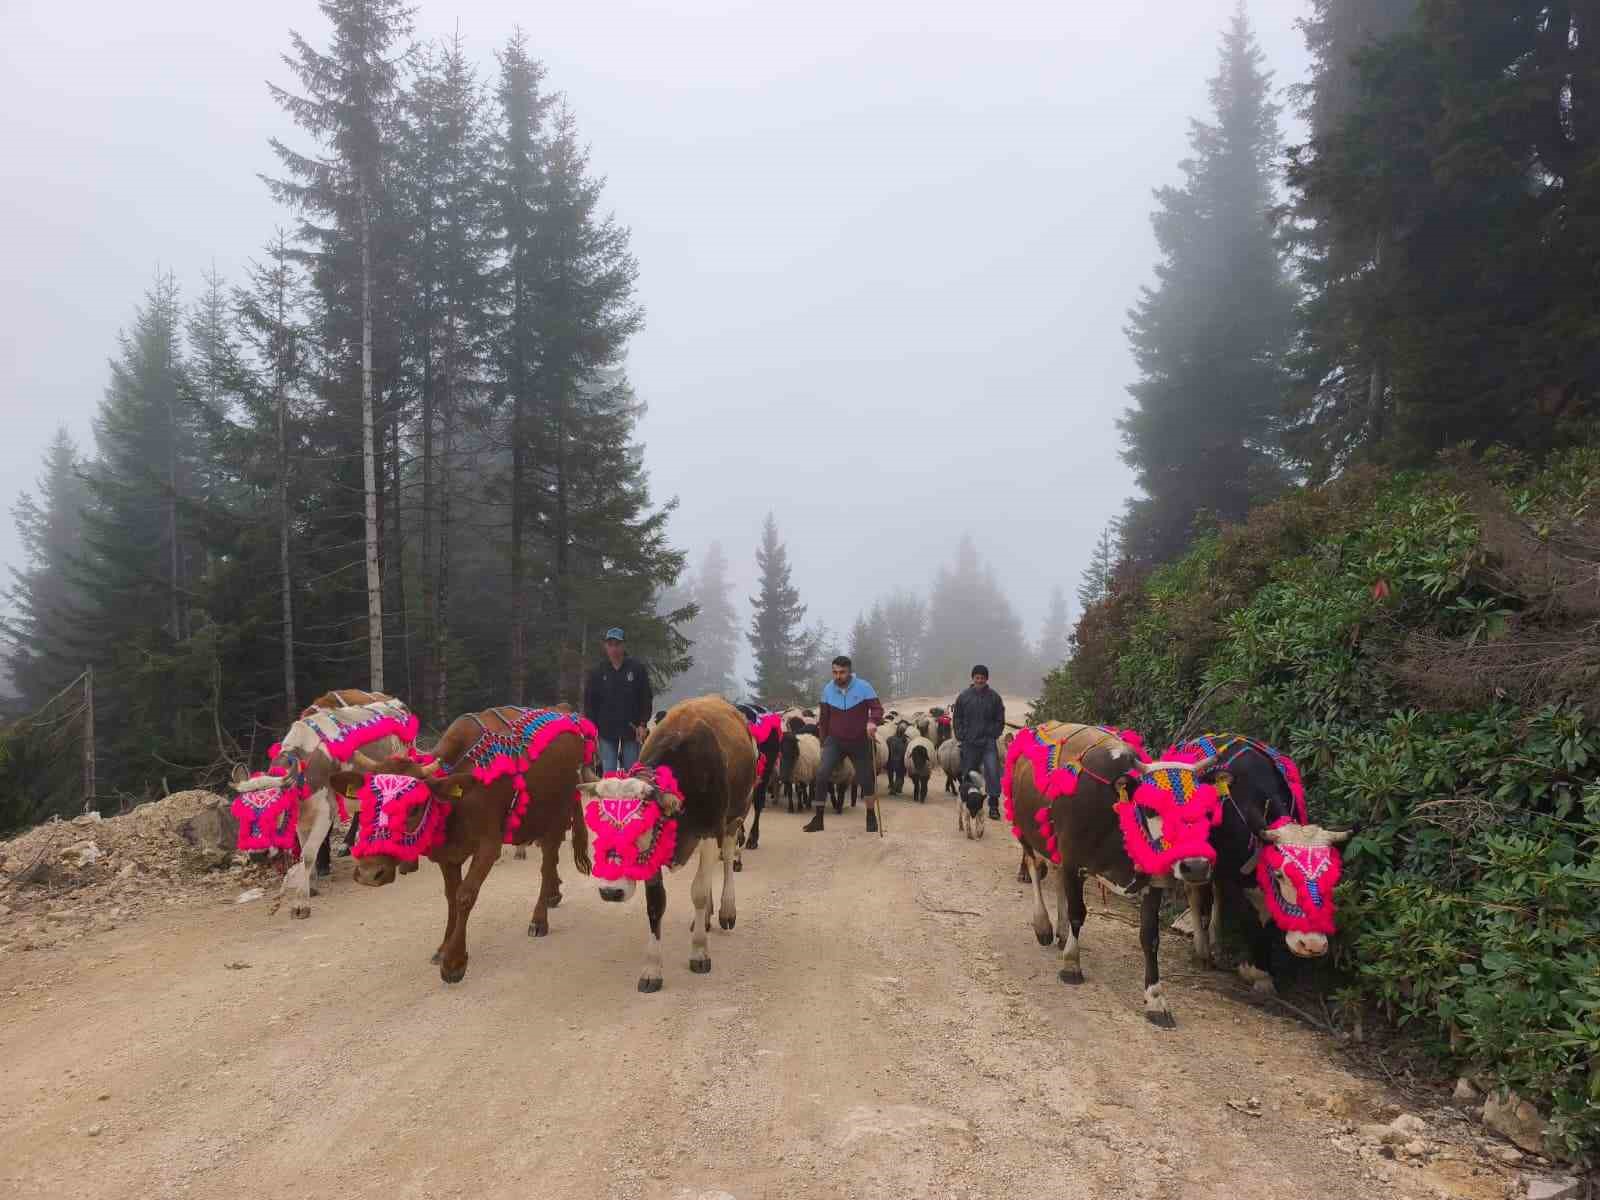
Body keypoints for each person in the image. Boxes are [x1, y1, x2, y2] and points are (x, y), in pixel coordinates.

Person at [803, 655, 884, 834]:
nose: (838, 676)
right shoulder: (828, 690)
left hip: (859, 740)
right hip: (835, 740)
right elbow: (824, 719)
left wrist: (872, 721)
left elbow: (877, 709)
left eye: (842, 672)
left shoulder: (864, 687)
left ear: (849, 671)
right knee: (822, 774)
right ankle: (818, 818)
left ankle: (871, 816)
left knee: (866, 779)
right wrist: (823, 742)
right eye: (835, 672)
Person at [583, 627, 653, 773]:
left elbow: (645, 698)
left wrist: (642, 723)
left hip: (632, 731)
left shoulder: (637, 668)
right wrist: (592, 729)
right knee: (609, 774)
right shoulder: (597, 671)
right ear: (605, 646)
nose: (614, 648)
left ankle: (631, 797)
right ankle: (610, 797)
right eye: (610, 644)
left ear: (624, 645)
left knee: (631, 774)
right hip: (605, 731)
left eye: (617, 644)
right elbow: (590, 702)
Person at [952, 664, 1005, 820]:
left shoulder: (994, 697)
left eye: (982, 678)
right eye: (977, 677)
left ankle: (993, 805)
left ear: (987, 679)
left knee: (992, 771)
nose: (980, 680)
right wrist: (961, 735)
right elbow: (957, 718)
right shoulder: (964, 697)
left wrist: (993, 733)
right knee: (968, 772)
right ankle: (969, 803)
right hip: (969, 742)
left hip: (988, 742)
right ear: (973, 678)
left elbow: (1000, 719)